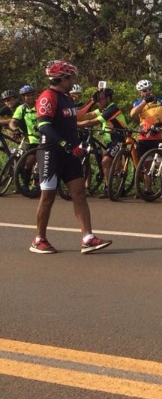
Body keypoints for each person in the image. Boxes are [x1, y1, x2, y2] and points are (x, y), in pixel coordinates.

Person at [29, 60, 111, 254]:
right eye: (72, 77)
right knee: (48, 197)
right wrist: (65, 144)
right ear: (63, 78)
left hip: (70, 153)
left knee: (79, 193)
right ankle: (39, 239)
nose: (74, 81)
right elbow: (44, 126)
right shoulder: (47, 97)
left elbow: (77, 116)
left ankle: (88, 238)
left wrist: (93, 102)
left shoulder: (66, 98)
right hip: (51, 152)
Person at [130, 79, 162, 163]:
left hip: (158, 137)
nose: (148, 92)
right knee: (146, 165)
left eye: (150, 89)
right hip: (143, 137)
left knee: (160, 163)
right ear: (140, 93)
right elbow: (132, 114)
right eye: (145, 90)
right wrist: (145, 101)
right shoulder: (138, 103)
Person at [94, 86, 128, 189]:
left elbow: (92, 121)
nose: (98, 101)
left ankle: (109, 188)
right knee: (115, 164)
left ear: (108, 99)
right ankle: (118, 188)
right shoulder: (103, 109)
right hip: (110, 140)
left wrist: (76, 124)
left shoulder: (112, 109)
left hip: (118, 139)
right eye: (97, 99)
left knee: (106, 162)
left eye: (101, 99)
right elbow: (89, 116)